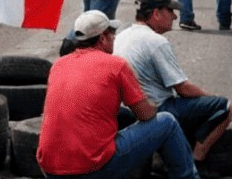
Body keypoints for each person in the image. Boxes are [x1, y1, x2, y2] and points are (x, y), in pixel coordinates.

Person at [38, 10, 199, 179]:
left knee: (120, 115)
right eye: (112, 34)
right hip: (91, 167)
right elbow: (145, 114)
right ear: (102, 38)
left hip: (50, 169)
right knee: (167, 122)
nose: (115, 38)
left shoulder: (58, 65)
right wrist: (150, 100)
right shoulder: (115, 64)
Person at [114, 0, 232, 163]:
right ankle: (196, 159)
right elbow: (183, 89)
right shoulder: (156, 41)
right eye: (170, 11)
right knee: (226, 107)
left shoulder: (121, 36)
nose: (175, 17)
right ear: (156, 13)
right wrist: (213, 97)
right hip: (157, 109)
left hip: (131, 109)